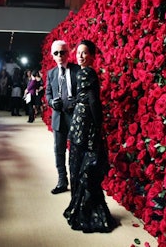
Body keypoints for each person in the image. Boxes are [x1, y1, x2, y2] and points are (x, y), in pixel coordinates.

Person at [63, 40, 118, 233]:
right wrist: (99, 122)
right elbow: (93, 101)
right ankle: (84, 211)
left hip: (79, 122)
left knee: (79, 164)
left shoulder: (83, 72)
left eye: (85, 53)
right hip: (87, 124)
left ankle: (79, 209)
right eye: (78, 53)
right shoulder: (88, 72)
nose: (80, 56)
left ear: (93, 56)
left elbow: (86, 98)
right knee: (88, 164)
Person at [45, 40, 79, 194]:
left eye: (62, 52)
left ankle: (76, 182)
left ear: (68, 53)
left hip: (76, 118)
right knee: (59, 151)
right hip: (58, 118)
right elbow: (48, 94)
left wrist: (77, 101)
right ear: (53, 56)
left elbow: (85, 93)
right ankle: (62, 181)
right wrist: (52, 102)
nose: (60, 55)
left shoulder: (78, 70)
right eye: (56, 53)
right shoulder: (51, 73)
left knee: (76, 152)